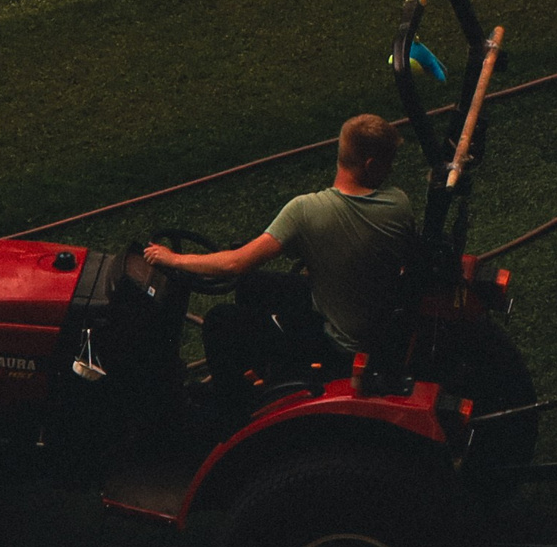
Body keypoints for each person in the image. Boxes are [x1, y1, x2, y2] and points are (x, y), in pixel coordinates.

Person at [144, 116, 417, 398]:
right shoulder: (399, 203)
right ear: (371, 164)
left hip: (340, 344)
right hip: (368, 318)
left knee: (220, 321)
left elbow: (235, 263)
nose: (391, 169)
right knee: (253, 285)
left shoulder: (306, 211)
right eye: (390, 162)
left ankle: (232, 408)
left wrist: (172, 259)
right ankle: (271, 368)